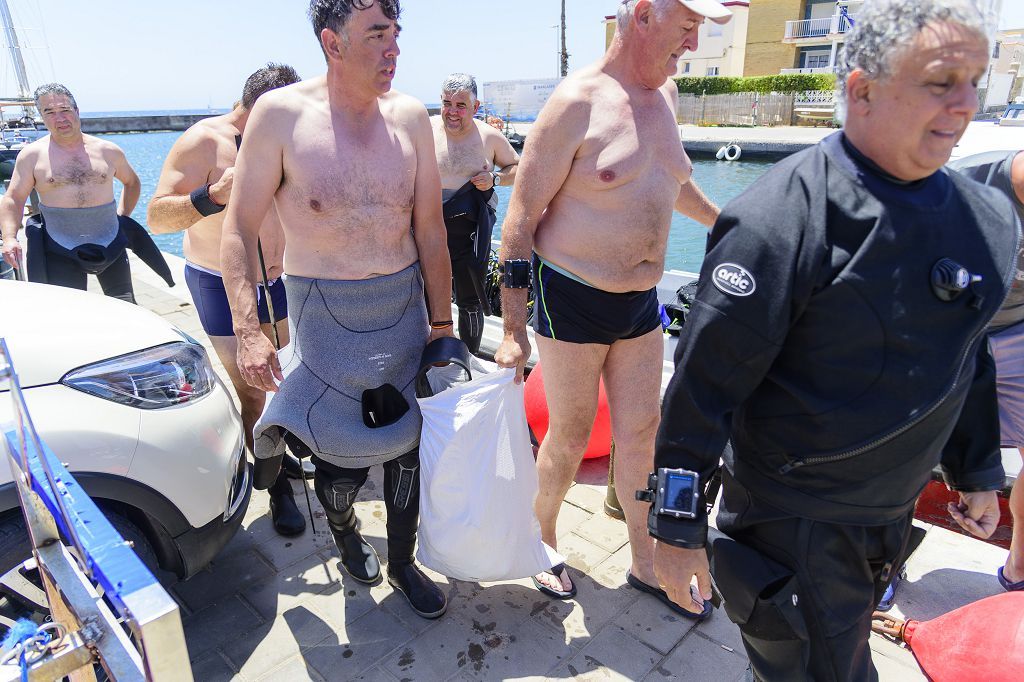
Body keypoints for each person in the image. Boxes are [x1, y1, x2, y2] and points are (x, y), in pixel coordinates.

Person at [646, 1, 1016, 679]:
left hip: (891, 511)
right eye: (941, 81)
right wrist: (675, 531)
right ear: (862, 90)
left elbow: (967, 354)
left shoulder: (982, 219)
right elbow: (702, 387)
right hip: (794, 524)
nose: (966, 103)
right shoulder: (782, 220)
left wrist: (978, 473)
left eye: (976, 79)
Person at [221, 0, 453, 620]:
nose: (394, 48)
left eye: (396, 33)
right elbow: (239, 229)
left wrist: (442, 325)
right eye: (377, 34)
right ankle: (345, 527)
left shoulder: (410, 118)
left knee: (406, 446)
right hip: (323, 314)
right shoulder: (279, 117)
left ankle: (404, 562)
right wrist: (249, 330)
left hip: (401, 309)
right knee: (338, 460)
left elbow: (430, 229)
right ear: (332, 42)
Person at [494, 0, 725, 610]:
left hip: (641, 300)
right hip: (572, 294)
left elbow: (671, 181)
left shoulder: (666, 97)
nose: (693, 45)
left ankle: (647, 563)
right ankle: (539, 539)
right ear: (644, 15)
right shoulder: (576, 103)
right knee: (568, 435)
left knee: (642, 433)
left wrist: (729, 222)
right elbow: (518, 223)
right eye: (687, 28)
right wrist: (513, 331)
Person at [147, 64, 307, 538]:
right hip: (221, 281)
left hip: (284, 280)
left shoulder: (289, 136)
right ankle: (275, 487)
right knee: (254, 387)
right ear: (259, 106)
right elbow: (157, 216)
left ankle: (280, 449)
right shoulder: (205, 140)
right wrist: (211, 195)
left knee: (289, 375)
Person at [0, 83, 163, 303]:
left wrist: (122, 217)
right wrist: (10, 238)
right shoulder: (32, 156)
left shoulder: (108, 151)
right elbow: (13, 198)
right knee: (67, 310)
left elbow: (132, 182)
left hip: (109, 241)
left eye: (65, 109)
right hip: (59, 246)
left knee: (125, 305)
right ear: (42, 117)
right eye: (50, 112)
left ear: (77, 111)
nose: (60, 118)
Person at [948, 149, 1024, 593]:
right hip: (942, 327)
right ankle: (878, 565)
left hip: (1017, 326)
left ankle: (1018, 571)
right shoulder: (958, 188)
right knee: (903, 442)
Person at [431, 73, 519, 354]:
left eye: (460, 105)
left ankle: (468, 357)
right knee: (424, 295)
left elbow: (516, 169)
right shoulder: (426, 129)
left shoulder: (490, 136)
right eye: (447, 103)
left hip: (471, 232)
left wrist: (494, 178)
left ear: (476, 106)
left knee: (470, 300)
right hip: (428, 227)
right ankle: (429, 358)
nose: (452, 112)